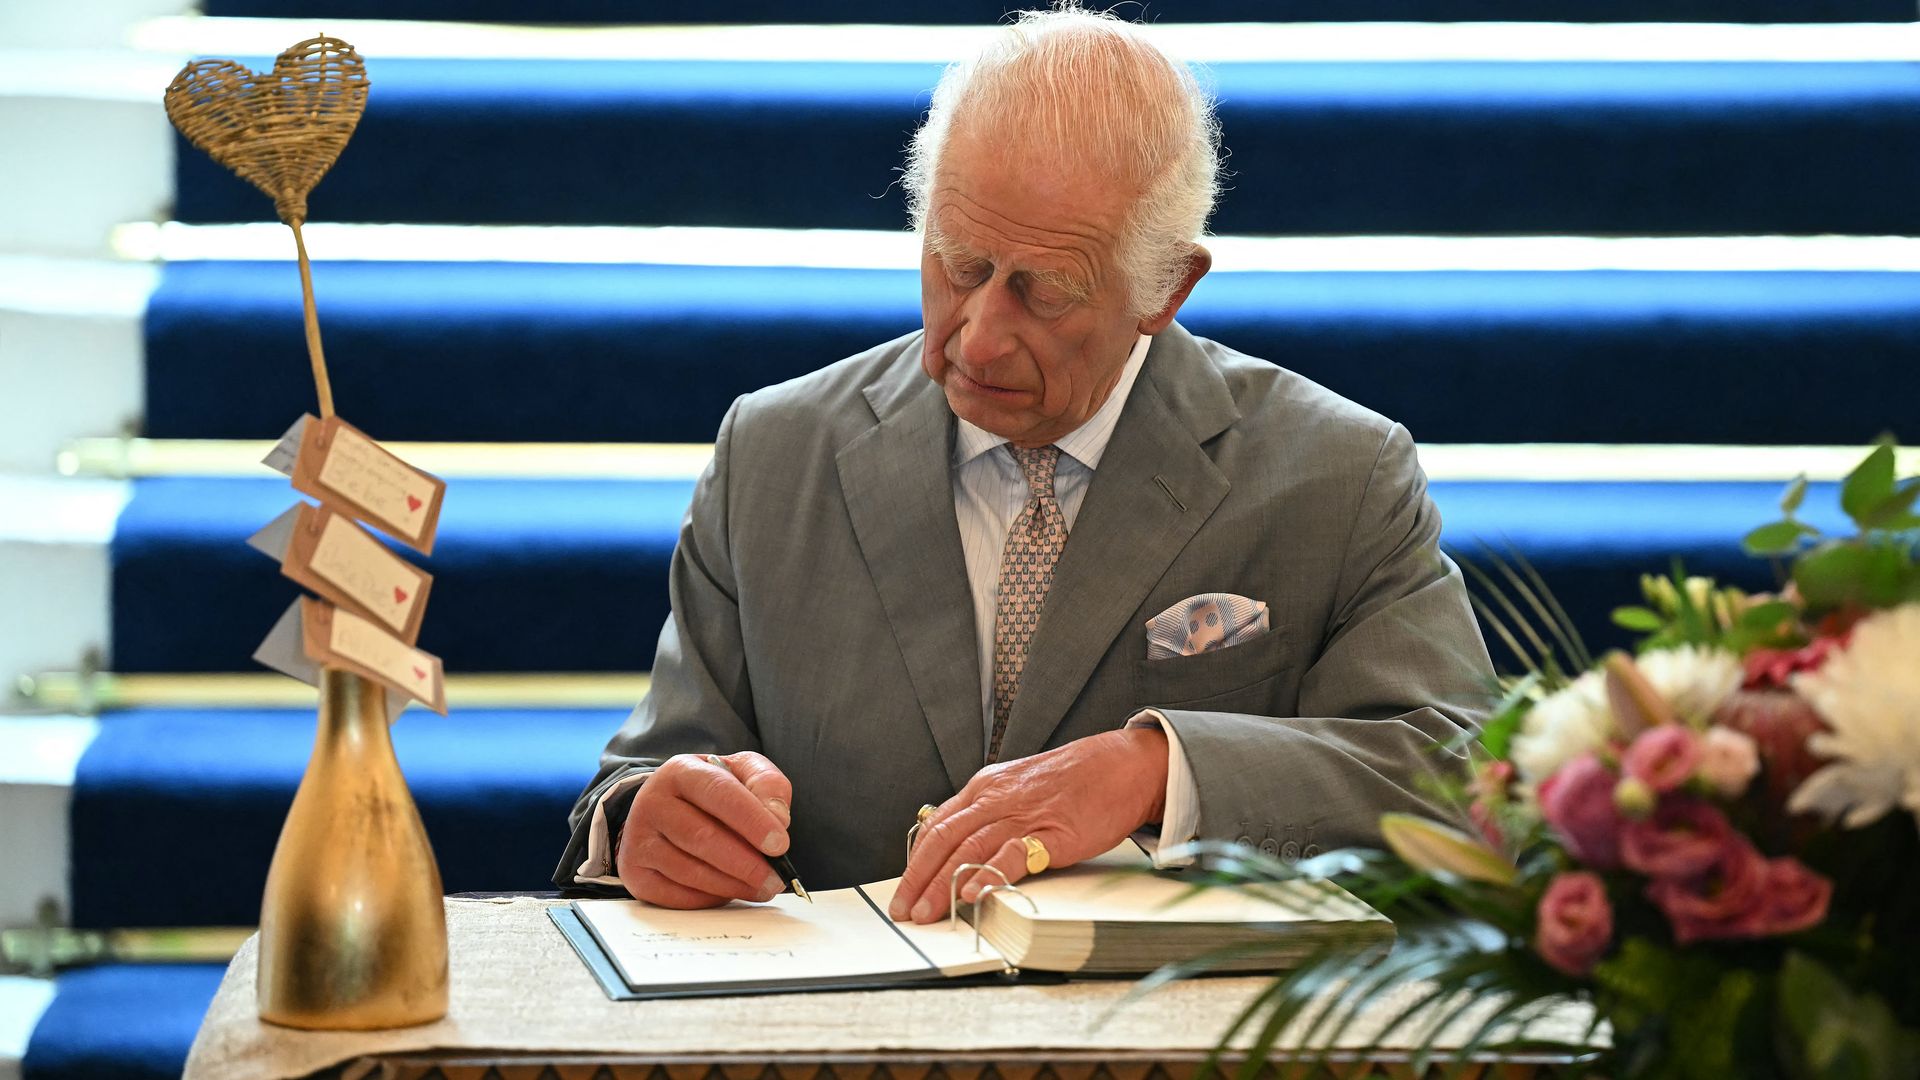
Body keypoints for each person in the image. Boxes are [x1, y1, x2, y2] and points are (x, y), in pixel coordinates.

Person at [554, 3, 1493, 924]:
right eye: (959, 266)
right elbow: (649, 770)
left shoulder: (1339, 472)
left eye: (1044, 293)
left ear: (1166, 288)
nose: (981, 339)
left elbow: (1468, 786)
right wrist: (642, 821)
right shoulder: (775, 452)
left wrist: (1158, 769)